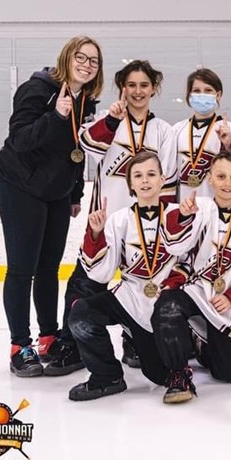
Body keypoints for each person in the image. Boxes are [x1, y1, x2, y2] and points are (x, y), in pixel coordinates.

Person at [47, 60, 176, 376]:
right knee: (85, 284)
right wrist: (113, 121)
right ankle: (72, 345)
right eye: (131, 85)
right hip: (106, 222)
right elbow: (86, 146)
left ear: (154, 89)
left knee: (140, 284)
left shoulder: (163, 131)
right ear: (122, 88)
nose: (137, 91)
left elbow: (170, 181)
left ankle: (134, 340)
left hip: (146, 227)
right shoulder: (107, 121)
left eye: (144, 85)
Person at [0, 35, 104, 377]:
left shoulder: (86, 100)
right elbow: (20, 139)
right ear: (67, 58)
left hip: (56, 191)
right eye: (81, 58)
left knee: (48, 268)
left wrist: (74, 194)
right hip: (20, 185)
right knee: (22, 267)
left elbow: (75, 151)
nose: (87, 65)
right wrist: (55, 115)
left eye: (94, 61)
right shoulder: (37, 89)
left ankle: (47, 336)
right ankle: (19, 345)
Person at [152, 151, 231, 404]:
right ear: (210, 179)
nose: (228, 183)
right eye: (221, 176)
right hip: (194, 290)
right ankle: (179, 375)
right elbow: (175, 247)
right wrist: (183, 217)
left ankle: (202, 341)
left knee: (228, 373)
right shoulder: (199, 208)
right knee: (168, 307)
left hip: (225, 301)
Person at [67, 151, 175, 401]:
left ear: (162, 179)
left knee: (161, 376)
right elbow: (101, 272)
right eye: (138, 175)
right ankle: (107, 377)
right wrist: (95, 234)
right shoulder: (118, 220)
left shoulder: (178, 215)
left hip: (166, 302)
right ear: (130, 184)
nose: (145, 180)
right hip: (129, 297)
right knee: (81, 314)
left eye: (151, 174)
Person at [171, 68, 231, 200]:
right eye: (196, 91)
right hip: (184, 207)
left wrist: (228, 145)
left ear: (218, 95)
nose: (202, 95)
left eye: (208, 91)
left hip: (217, 209)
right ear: (189, 95)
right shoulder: (177, 130)